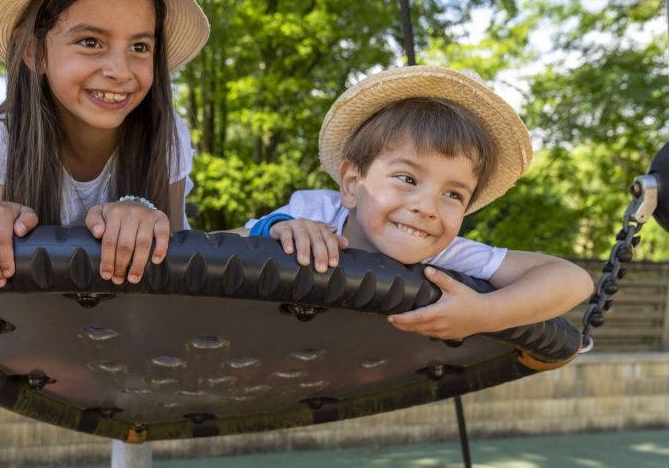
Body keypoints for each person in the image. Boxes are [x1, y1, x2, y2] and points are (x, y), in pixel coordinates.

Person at [0, 0, 209, 289]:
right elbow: (1, 224)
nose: (120, 70)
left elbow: (179, 253)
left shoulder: (166, 133)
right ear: (35, 52)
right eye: (90, 42)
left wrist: (147, 214)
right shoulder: (8, 136)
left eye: (139, 46)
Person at [246, 66, 594, 340]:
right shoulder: (318, 213)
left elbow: (573, 280)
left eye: (453, 194)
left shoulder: (439, 254)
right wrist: (277, 229)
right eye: (407, 179)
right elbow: (209, 248)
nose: (428, 207)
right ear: (352, 184)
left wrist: (485, 314)